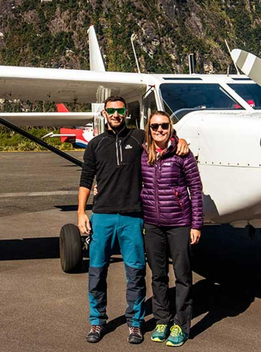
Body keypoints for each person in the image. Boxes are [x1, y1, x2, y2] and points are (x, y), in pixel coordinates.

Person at [78, 96, 187, 345]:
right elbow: (86, 180)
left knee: (136, 272)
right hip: (103, 215)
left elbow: (163, 137)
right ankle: (97, 321)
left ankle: (135, 324)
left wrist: (180, 140)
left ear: (125, 113)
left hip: (133, 217)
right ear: (104, 114)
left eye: (119, 110)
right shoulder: (94, 144)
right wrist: (81, 212)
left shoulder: (139, 137)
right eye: (111, 111)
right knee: (96, 272)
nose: (115, 115)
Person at [140, 111, 203, 347]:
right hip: (152, 224)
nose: (159, 130)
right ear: (149, 128)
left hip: (179, 223)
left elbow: (195, 190)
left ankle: (181, 324)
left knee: (183, 276)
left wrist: (196, 224)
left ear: (170, 127)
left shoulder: (182, 153)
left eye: (164, 126)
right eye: (155, 126)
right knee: (157, 275)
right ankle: (162, 319)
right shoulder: (143, 152)